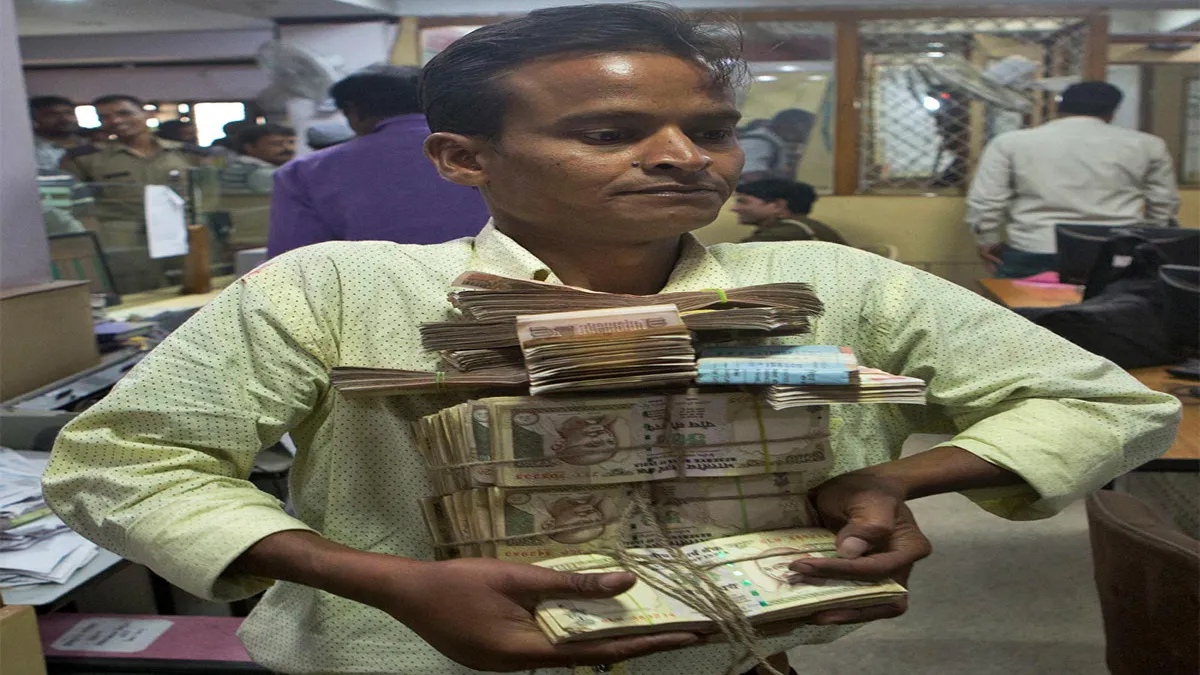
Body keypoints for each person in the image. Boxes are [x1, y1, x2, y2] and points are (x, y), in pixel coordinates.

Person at [43, 6, 1179, 675]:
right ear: (463, 158)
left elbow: (1110, 403)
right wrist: (383, 580)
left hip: (723, 656)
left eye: (713, 129)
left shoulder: (833, 286)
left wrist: (894, 478)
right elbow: (125, 464)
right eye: (611, 132)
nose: (687, 156)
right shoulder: (339, 289)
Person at [266, 65, 488, 257]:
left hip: (367, 292)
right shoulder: (485, 153)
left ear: (353, 111)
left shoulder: (303, 173)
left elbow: (291, 264)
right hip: (492, 289)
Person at [967, 81, 1181, 279]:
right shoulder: (1147, 145)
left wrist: (988, 240)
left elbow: (986, 200)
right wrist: (1147, 239)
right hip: (1117, 251)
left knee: (1022, 309)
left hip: (1035, 248)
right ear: (1112, 112)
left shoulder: (1010, 143)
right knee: (1117, 308)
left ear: (1059, 108)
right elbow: (1163, 202)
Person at [59, 94, 211, 291]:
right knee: (137, 293)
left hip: (182, 234)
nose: (115, 121)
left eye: (124, 113)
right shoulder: (85, 159)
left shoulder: (187, 153)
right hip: (124, 239)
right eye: (105, 117)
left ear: (146, 114)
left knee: (195, 289)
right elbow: (78, 206)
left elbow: (210, 194)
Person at [732, 178, 848, 244]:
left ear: (778, 205)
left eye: (743, 202)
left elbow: (728, 262)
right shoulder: (800, 227)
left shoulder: (787, 233)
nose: (734, 208)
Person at [738, 108, 815, 182]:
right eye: (805, 129)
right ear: (786, 125)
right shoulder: (758, 142)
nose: (805, 135)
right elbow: (749, 174)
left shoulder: (771, 141)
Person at [218, 123, 295, 194]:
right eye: (276, 143)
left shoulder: (238, 166)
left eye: (291, 142)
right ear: (250, 147)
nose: (287, 148)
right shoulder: (260, 174)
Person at [29, 95, 85, 174]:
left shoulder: (89, 143)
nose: (64, 119)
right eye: (53, 114)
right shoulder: (31, 151)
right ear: (35, 119)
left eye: (69, 113)